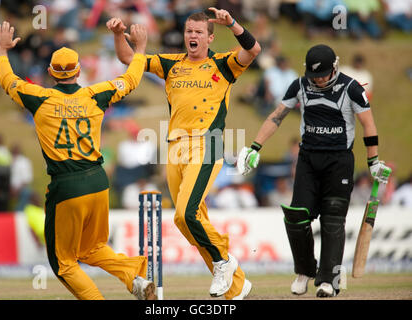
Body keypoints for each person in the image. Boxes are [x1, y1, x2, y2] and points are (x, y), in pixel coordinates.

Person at [0, 20, 156, 300]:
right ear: (79, 71)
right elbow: (131, 79)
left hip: (67, 187)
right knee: (92, 248)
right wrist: (140, 48)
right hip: (97, 181)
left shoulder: (39, 98)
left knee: (63, 263)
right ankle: (135, 279)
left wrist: (0, 50)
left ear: (50, 72)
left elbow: (8, 80)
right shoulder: (96, 95)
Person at [108, 7, 261, 299]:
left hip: (209, 142)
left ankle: (223, 261)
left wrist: (234, 24)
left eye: (198, 32)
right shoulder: (171, 63)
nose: (192, 36)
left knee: (186, 212)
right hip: (176, 147)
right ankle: (238, 285)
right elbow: (129, 59)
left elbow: (253, 49)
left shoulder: (223, 63)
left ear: (209, 37)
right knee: (184, 219)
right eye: (189, 31)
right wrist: (118, 35)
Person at [237, 44, 391, 297]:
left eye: (322, 75)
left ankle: (328, 280)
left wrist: (373, 162)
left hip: (339, 161)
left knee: (332, 218)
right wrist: (255, 147)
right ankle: (305, 271)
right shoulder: (299, 85)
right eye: (314, 76)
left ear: (334, 68)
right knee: (296, 217)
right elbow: (277, 115)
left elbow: (369, 125)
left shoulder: (352, 88)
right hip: (308, 160)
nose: (318, 80)